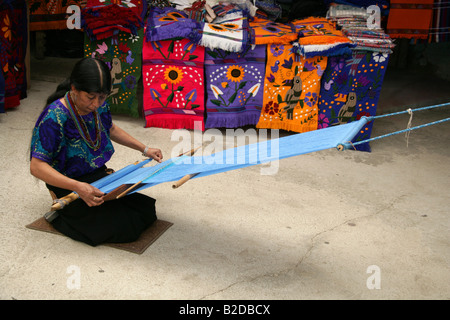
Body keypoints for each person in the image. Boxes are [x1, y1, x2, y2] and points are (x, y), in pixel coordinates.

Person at [30, 57, 163, 247]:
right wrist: (77, 186)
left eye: (102, 97)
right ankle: (58, 216)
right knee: (126, 228)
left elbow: (110, 128)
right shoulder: (54, 117)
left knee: (145, 210)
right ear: (74, 88)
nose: (96, 104)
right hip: (68, 183)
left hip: (95, 176)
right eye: (91, 97)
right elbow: (36, 167)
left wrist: (145, 149)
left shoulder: (98, 106)